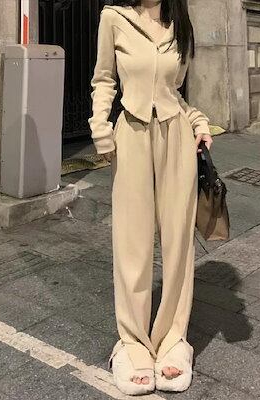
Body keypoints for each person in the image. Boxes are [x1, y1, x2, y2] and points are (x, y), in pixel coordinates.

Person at [88, 0, 213, 395]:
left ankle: (174, 339)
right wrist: (100, 125)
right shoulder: (114, 18)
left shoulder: (180, 24)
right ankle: (133, 343)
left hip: (177, 140)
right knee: (132, 243)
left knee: (178, 245)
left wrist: (198, 121)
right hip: (131, 135)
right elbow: (103, 79)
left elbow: (175, 93)